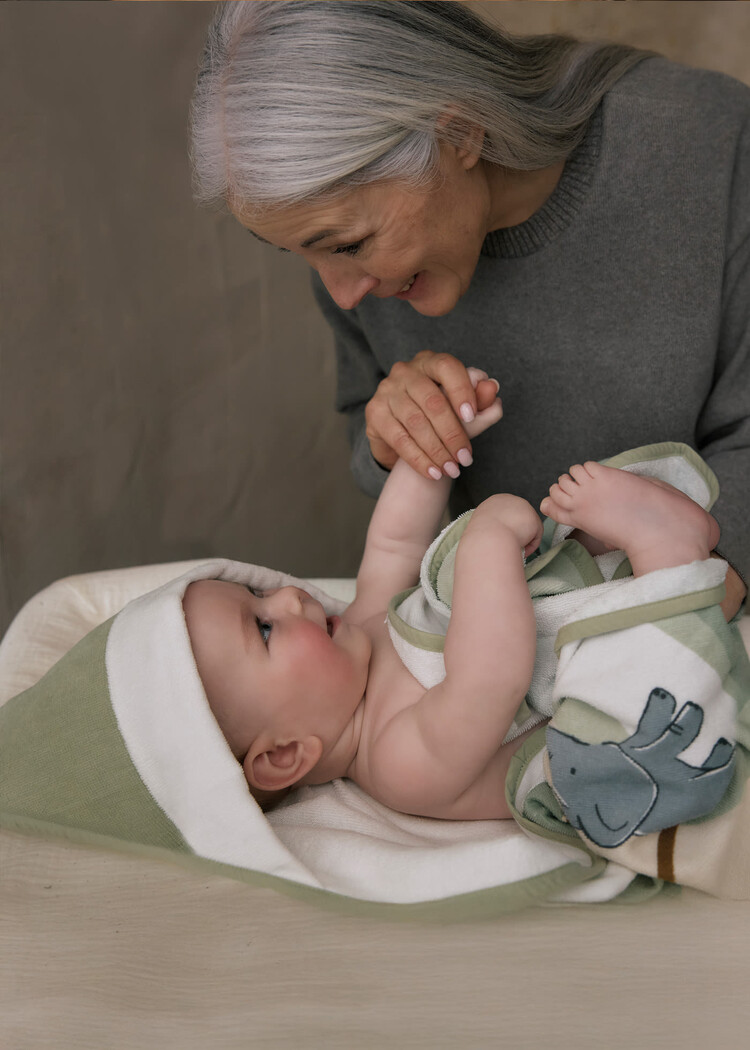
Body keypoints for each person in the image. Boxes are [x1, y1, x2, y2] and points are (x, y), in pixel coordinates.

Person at [189, 1, 749, 620]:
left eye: (348, 245)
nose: (342, 292)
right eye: (301, 255)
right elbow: (364, 435)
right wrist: (393, 439)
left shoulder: (714, 149)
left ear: (460, 134)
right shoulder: (353, 274)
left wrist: (670, 611)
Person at [182, 409, 729, 821]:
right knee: (623, 711)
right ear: (284, 755)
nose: (286, 597)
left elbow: (395, 544)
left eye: (256, 592)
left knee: (575, 533)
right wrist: (486, 541)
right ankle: (670, 558)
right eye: (264, 627)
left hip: (581, 618)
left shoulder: (359, 632)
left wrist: (434, 443)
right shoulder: (397, 764)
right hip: (636, 725)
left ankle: (669, 556)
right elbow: (490, 677)